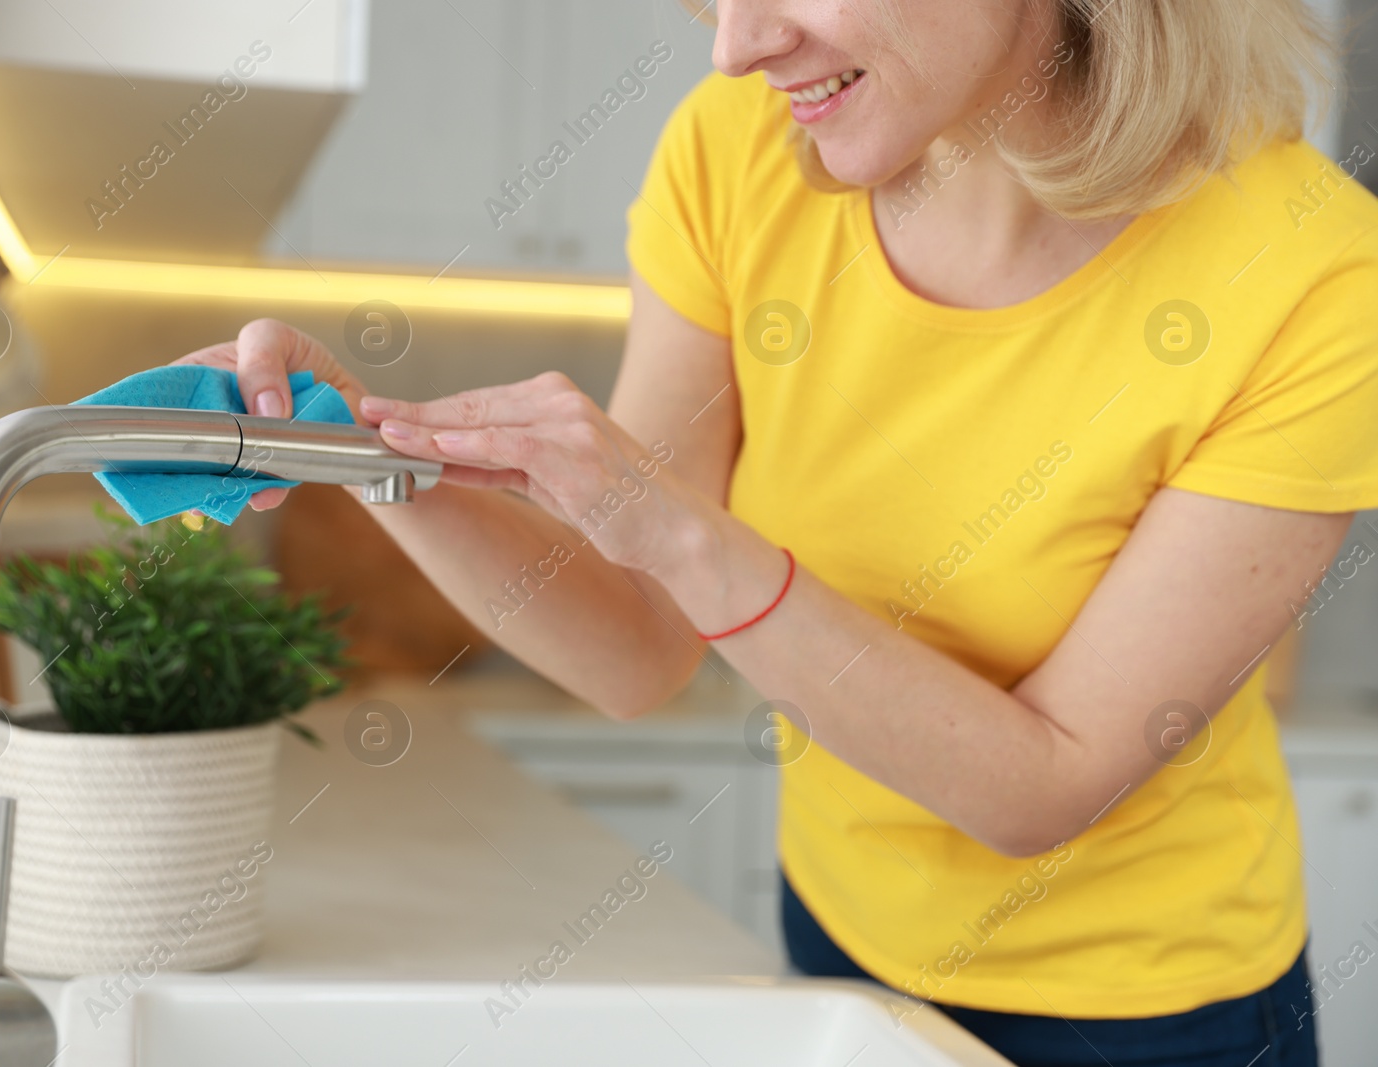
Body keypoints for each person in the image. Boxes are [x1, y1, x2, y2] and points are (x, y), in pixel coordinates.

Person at [176, 1, 1378, 1062]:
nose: (737, 41)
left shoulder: (1316, 275)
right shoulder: (738, 154)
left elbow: (1041, 786)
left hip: (1148, 1017)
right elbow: (635, 646)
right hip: (842, 940)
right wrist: (363, 453)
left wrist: (684, 534)